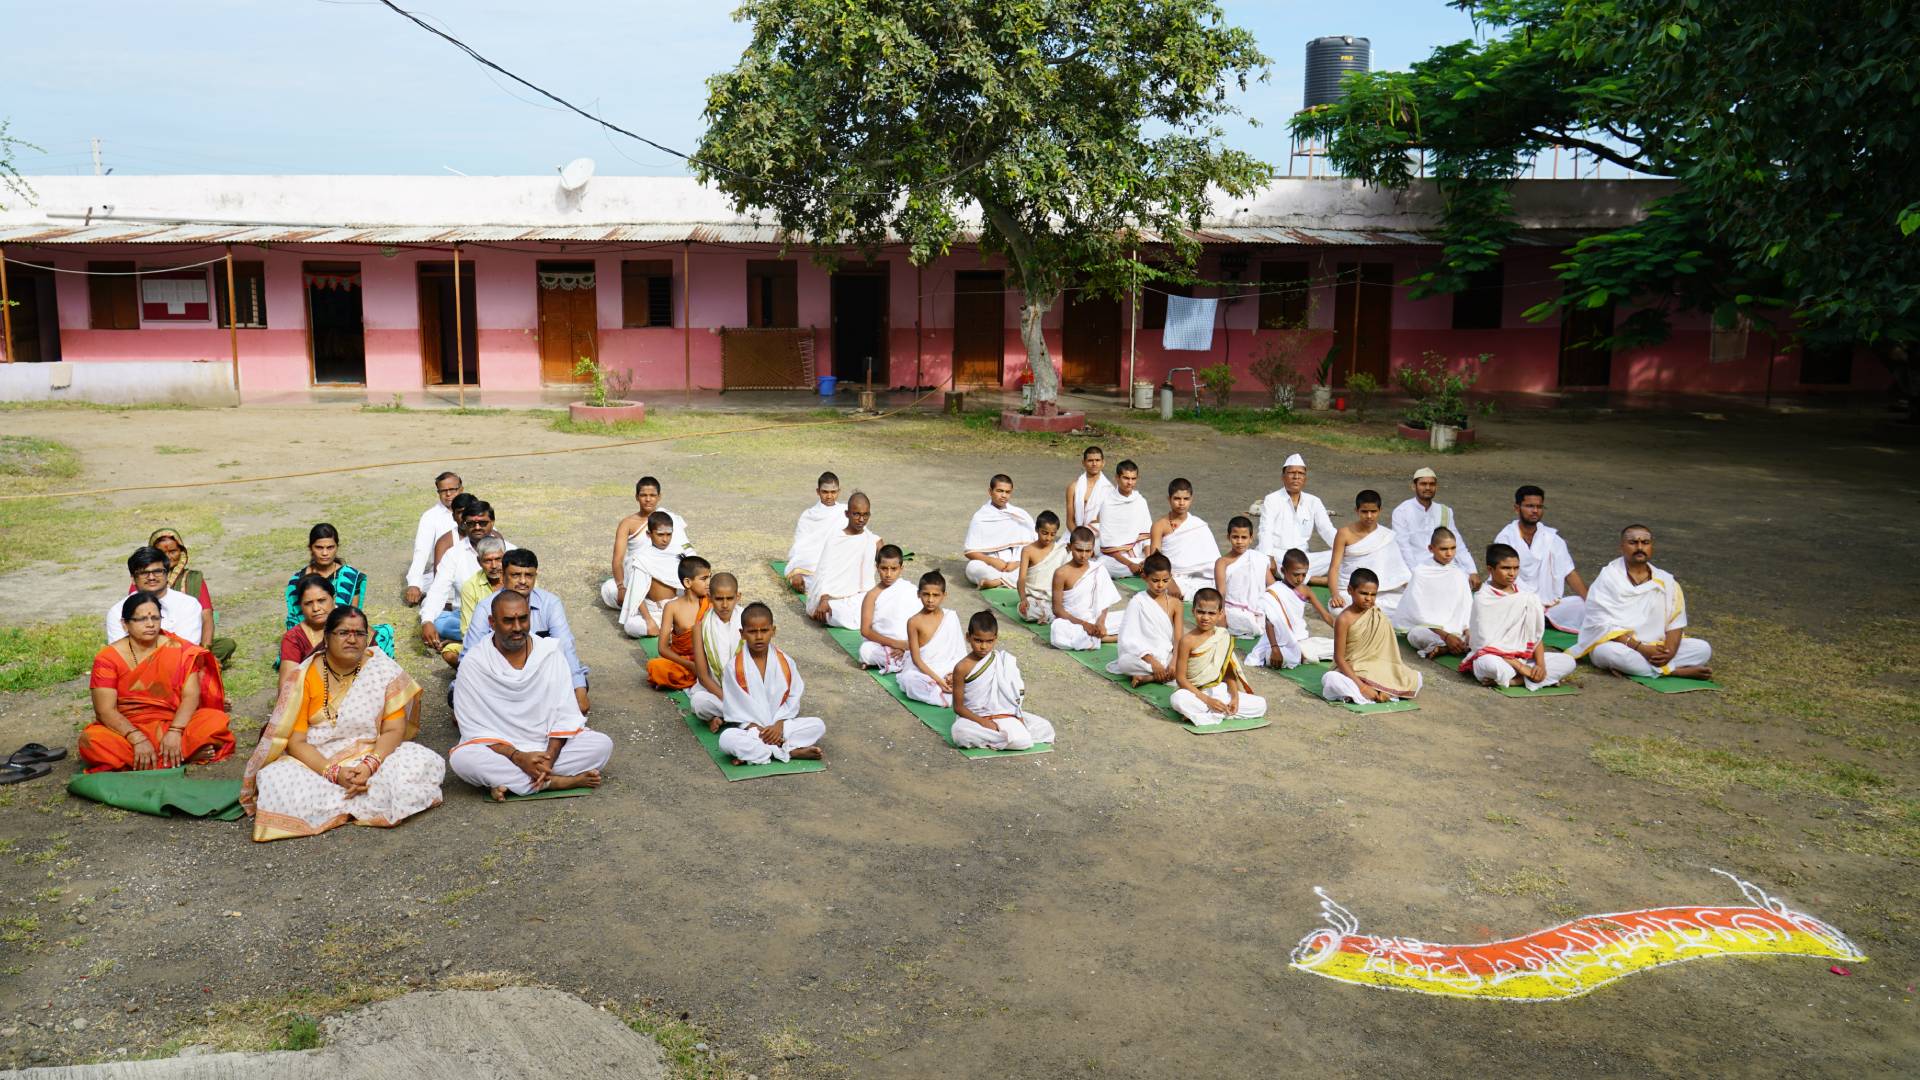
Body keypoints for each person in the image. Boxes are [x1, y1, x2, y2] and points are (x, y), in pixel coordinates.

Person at [241, 606, 444, 842]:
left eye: (359, 634)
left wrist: (369, 766)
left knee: (423, 760)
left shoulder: (382, 668)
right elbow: (296, 742)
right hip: (316, 760)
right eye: (343, 632)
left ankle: (345, 799)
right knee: (275, 777)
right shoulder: (304, 675)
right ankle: (367, 798)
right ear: (326, 638)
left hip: (370, 753)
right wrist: (334, 773)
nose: (352, 639)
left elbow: (393, 729)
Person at [449, 591, 611, 800]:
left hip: (546, 747)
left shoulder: (549, 653)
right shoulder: (474, 663)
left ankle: (519, 781)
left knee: (601, 745)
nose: (517, 628)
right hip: (503, 752)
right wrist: (518, 757)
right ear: (492, 622)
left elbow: (564, 716)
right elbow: (473, 729)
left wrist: (548, 760)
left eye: (523, 619)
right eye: (508, 621)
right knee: (463, 759)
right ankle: (555, 782)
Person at [81, 592, 235, 772]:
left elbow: (191, 696)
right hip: (127, 728)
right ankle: (182, 756)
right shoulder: (107, 658)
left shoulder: (179, 649)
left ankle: (148, 761)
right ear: (125, 624)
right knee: (92, 740)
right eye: (141, 619)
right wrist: (137, 738)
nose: (150, 624)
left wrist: (175, 732)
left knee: (214, 720)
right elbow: (105, 710)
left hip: (171, 722)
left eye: (155, 617)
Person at [1571, 526, 1713, 679]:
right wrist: (1641, 648)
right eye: (1633, 542)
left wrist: (1669, 652)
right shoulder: (1608, 578)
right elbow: (1601, 625)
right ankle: (1675, 671)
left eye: (1645, 542)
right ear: (1622, 547)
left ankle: (1649, 667)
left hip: (1656, 645)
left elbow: (1676, 622)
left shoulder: (1666, 581)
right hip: (1621, 645)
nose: (1640, 547)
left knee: (1703, 649)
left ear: (1651, 546)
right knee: (1609, 653)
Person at [464, 549, 591, 714]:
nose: (523, 581)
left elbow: (565, 646)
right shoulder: (485, 607)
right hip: (499, 679)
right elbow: (471, 654)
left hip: (541, 677)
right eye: (516, 575)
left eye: (529, 575)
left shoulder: (550, 603)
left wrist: (579, 689)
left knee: (572, 685)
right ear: (502, 576)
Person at [714, 603, 826, 765]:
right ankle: (788, 751)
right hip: (752, 732)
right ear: (742, 633)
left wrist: (778, 725)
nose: (759, 636)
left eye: (764, 630)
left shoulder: (786, 662)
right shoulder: (733, 668)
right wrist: (759, 730)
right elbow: (734, 709)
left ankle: (757, 753)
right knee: (726, 739)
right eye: (752, 631)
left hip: (780, 728)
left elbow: (793, 698)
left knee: (818, 725)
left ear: (773, 631)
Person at [1463, 543, 1579, 690]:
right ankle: (1526, 678)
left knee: (1568, 662)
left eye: (1516, 568)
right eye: (1506, 568)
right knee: (1493, 667)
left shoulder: (1527, 597)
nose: (1512, 573)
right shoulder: (1483, 598)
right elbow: (1483, 645)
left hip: (1522, 657)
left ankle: (1516, 681)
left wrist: (1540, 665)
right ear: (1490, 569)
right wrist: (1520, 667)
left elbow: (1535, 636)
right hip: (1495, 658)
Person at [951, 611, 1056, 751]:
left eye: (989, 641)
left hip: (1005, 716)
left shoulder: (1004, 661)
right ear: (968, 637)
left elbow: (1013, 696)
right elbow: (958, 708)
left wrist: (1017, 717)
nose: (983, 646)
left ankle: (1002, 737)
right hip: (975, 718)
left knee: (1044, 726)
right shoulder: (962, 667)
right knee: (960, 732)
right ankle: (1006, 737)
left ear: (996, 639)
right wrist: (983, 722)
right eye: (978, 640)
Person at [1493, 485, 1588, 633]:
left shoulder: (1552, 539)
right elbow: (1500, 577)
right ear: (1517, 508)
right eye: (1530, 506)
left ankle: (1540, 619)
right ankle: (1534, 618)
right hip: (1517, 601)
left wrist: (1590, 601)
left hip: (1550, 605)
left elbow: (1569, 572)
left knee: (1581, 604)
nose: (1535, 511)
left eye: (1539, 506)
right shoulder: (1505, 538)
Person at [1322, 569, 1422, 704]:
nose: (1369, 598)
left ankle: (1374, 693)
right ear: (1350, 590)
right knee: (1330, 679)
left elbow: (1387, 655)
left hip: (1376, 670)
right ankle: (1378, 693)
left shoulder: (1377, 614)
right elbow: (1339, 658)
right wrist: (1362, 687)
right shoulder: (1344, 619)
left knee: (1416, 677)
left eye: (1373, 594)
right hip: (1354, 671)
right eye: (1363, 593)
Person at [1170, 589, 1266, 726]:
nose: (1205, 617)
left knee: (1260, 704)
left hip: (1218, 690)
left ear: (1220, 614)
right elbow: (1180, 679)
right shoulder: (1187, 640)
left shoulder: (1223, 635)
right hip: (1194, 693)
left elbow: (1228, 673)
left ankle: (1210, 713)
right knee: (1178, 699)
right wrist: (1208, 700)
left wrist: (1235, 697)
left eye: (1211, 613)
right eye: (1201, 612)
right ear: (1193, 611)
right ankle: (1217, 711)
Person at [421, 504, 509, 652]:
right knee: (439, 621)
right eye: (471, 523)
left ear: (492, 523)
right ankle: (484, 638)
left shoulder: (511, 550)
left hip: (507, 615)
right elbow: (438, 590)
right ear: (464, 524)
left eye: (482, 523)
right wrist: (427, 621)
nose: (477, 527)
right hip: (465, 615)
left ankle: (472, 639)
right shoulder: (453, 554)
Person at [601, 476, 694, 615]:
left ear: (659, 497)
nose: (648, 499)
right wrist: (621, 587)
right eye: (644, 495)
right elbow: (617, 560)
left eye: (652, 495)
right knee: (609, 590)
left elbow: (687, 551)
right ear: (637, 497)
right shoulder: (627, 523)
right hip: (636, 576)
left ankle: (655, 608)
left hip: (667, 576)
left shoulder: (669, 519)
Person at [142, 528, 234, 663]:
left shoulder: (193, 578)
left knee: (226, 645)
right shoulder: (144, 578)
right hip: (154, 642)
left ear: (181, 552)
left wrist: (205, 651)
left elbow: (207, 616)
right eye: (161, 553)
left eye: (173, 551)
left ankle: (193, 662)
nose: (168, 557)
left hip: (189, 642)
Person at [1391, 527, 1474, 659]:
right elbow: (1417, 612)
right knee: (1416, 635)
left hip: (1456, 628)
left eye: (1453, 548)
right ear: (1431, 548)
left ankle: (1447, 647)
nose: (1449, 554)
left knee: (1478, 633)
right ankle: (1452, 645)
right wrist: (1446, 636)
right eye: (1443, 549)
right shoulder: (1421, 572)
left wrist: (1468, 631)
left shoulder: (1459, 573)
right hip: (1432, 630)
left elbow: (1467, 608)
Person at [1248, 549, 1337, 669]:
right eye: (1296, 574)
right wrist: (1275, 648)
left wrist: (1345, 632)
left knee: (1341, 646)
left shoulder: (1305, 590)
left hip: (1301, 640)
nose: (1300, 579)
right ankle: (1300, 655)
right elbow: (1269, 622)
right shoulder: (1273, 591)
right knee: (1271, 656)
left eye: (1304, 575)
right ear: (1283, 571)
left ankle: (1302, 655)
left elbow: (1326, 616)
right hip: (1279, 644)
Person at [1391, 467, 1479, 588]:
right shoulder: (1401, 512)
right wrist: (1416, 574)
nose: (1428, 488)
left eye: (1431, 484)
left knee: (1464, 583)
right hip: (1416, 566)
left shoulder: (1444, 511)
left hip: (1444, 564)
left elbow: (1458, 543)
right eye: (1423, 484)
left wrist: (1472, 570)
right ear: (1414, 486)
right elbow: (1403, 547)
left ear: (1436, 487)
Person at [1326, 490, 1410, 614]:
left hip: (1382, 592)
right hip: (1351, 591)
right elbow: (1334, 567)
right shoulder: (1344, 533)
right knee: (1338, 609)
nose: (1369, 516)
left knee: (1408, 606)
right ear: (1356, 510)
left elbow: (1399, 571)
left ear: (1380, 510)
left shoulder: (1387, 536)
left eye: (1373, 511)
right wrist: (1335, 594)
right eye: (1364, 511)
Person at [106, 547, 207, 650]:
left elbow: (186, 649)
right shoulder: (118, 612)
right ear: (133, 579)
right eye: (144, 573)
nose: (151, 577)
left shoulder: (188, 605)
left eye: (158, 571)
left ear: (167, 575)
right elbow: (121, 653)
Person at [1255, 453, 1337, 578]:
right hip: (1279, 555)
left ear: (1305, 479)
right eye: (1291, 473)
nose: (1296, 477)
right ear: (1283, 477)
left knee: (1340, 555)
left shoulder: (1314, 501)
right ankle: (1315, 579)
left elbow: (1326, 529)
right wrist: (1268, 555)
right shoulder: (1272, 499)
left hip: (1304, 558)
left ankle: (1299, 575)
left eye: (1301, 474)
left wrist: (1342, 549)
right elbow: (1265, 529)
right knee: (1262, 558)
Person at [805, 492, 881, 627]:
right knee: (832, 612)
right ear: (847, 514)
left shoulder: (872, 540)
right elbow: (824, 572)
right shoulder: (836, 538)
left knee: (879, 606)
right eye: (856, 514)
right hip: (832, 597)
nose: (861, 519)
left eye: (865, 515)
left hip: (860, 596)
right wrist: (824, 599)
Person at [610, 511, 690, 638]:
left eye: (669, 534)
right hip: (654, 611)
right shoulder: (642, 559)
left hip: (675, 607)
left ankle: (670, 627)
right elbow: (637, 594)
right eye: (660, 535)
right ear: (649, 534)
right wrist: (648, 620)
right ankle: (667, 629)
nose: (665, 539)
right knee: (630, 626)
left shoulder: (678, 555)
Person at [1106, 554, 1182, 687]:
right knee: (1124, 662)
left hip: (1166, 655)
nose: (1160, 585)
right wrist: (1152, 662)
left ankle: (1150, 677)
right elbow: (1128, 639)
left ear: (1171, 578)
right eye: (1155, 580)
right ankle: (1162, 674)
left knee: (1192, 663)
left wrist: (1174, 663)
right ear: (1144, 577)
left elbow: (1178, 639)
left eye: (1165, 580)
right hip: (1144, 657)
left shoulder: (1176, 604)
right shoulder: (1137, 601)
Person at [434, 537, 508, 667]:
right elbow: (467, 629)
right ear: (479, 562)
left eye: (498, 559)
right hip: (485, 641)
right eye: (488, 561)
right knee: (449, 653)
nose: (494, 566)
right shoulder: (470, 586)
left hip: (515, 638)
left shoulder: (517, 578)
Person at [899, 571, 968, 706]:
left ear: (944, 596)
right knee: (909, 681)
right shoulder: (913, 622)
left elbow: (960, 653)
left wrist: (952, 673)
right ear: (918, 594)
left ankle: (947, 690)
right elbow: (917, 660)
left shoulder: (951, 617)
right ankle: (949, 694)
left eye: (935, 595)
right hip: (925, 671)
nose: (930, 600)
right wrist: (939, 681)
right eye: (926, 594)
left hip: (948, 667)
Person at [647, 556, 713, 691]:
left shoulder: (711, 602)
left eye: (710, 577)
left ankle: (688, 679)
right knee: (655, 666)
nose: (709, 583)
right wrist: (689, 665)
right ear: (688, 582)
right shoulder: (672, 607)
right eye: (704, 579)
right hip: (686, 661)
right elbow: (663, 649)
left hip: (708, 660)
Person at [1049, 526, 1121, 650]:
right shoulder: (1061, 573)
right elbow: (1057, 610)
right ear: (1070, 546)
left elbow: (1105, 602)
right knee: (1058, 631)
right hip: (1071, 623)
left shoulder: (1098, 569)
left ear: (1093, 549)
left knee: (1131, 618)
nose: (1083, 555)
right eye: (1079, 550)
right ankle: (1110, 638)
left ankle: (1095, 636)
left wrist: (1100, 623)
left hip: (1095, 619)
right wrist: (1084, 624)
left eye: (1088, 551)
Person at [962, 474, 1037, 589]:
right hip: (991, 564)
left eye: (1007, 492)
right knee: (972, 568)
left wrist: (1017, 563)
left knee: (1038, 565)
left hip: (1017, 561)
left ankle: (997, 582)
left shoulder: (1020, 515)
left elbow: (1034, 545)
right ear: (990, 491)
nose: (1004, 496)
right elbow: (969, 552)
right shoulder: (980, 517)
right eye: (1000, 491)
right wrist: (991, 561)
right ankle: (1011, 581)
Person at [1149, 478, 1219, 600]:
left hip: (1204, 577)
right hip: (1174, 576)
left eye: (1186, 499)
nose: (1181, 503)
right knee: (1161, 589)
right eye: (1177, 498)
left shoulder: (1199, 524)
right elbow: (1155, 560)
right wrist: (1169, 582)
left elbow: (1213, 561)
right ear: (1169, 499)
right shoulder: (1159, 525)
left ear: (1191, 499)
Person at [690, 572, 744, 724]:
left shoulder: (749, 621)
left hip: (747, 690)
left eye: (730, 598)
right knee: (699, 703)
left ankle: (726, 717)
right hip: (718, 692)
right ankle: (742, 716)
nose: (725, 605)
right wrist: (727, 698)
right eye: (719, 599)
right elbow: (703, 676)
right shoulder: (700, 628)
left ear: (738, 597)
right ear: (709, 598)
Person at [404, 471, 464, 606]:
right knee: (430, 588)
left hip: (473, 569)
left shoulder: (474, 510)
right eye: (443, 491)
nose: (448, 494)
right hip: (441, 572)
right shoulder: (430, 517)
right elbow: (421, 552)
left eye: (452, 489)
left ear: (461, 489)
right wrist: (414, 584)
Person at [856, 546, 917, 672]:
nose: (888, 574)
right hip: (884, 644)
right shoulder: (871, 595)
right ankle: (906, 662)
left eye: (893, 569)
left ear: (901, 568)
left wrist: (906, 645)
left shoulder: (911, 590)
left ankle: (900, 660)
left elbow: (922, 621)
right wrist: (897, 644)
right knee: (866, 651)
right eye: (884, 569)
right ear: (877, 567)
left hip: (910, 644)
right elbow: (865, 631)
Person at [1214, 515, 1273, 638]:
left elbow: (1272, 586)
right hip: (1233, 609)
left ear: (1251, 538)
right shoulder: (1222, 562)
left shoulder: (1258, 558)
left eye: (1244, 537)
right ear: (1228, 537)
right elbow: (1221, 591)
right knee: (1241, 619)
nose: (1239, 541)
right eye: (1235, 537)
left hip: (1258, 608)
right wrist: (1221, 613)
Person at [783, 471, 843, 591]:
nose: (829, 496)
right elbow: (799, 547)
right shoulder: (808, 515)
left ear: (839, 491)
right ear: (818, 491)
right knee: (800, 581)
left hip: (838, 562)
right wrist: (797, 571)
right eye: (825, 492)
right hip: (812, 564)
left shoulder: (845, 511)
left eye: (833, 492)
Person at [1093, 460, 1152, 578]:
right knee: (1100, 566)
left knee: (1162, 558)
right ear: (1117, 478)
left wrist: (1148, 560)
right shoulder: (1108, 503)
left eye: (1133, 479)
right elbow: (1108, 544)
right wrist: (1130, 564)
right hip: (1116, 557)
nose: (1130, 483)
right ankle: (1143, 570)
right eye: (1126, 478)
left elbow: (1146, 536)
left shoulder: (1140, 501)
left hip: (1139, 553)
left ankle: (1144, 568)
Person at [279, 574, 338, 690]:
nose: (316, 608)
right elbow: (286, 688)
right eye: (308, 603)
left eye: (321, 601)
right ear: (300, 606)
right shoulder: (294, 638)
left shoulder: (352, 625)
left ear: (333, 598)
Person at [1015, 511, 1067, 622]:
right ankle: (1051, 615)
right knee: (1025, 611)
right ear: (1036, 529)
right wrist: (1023, 599)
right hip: (1033, 598)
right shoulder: (1028, 550)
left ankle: (1050, 614)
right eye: (1044, 533)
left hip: (1053, 598)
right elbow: (1021, 579)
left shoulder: (1060, 550)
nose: (1048, 538)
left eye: (1052, 534)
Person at [1065, 445, 1114, 534]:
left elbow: (1107, 520)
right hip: (1074, 534)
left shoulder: (1110, 490)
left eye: (1097, 460)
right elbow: (1069, 521)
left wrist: (1087, 537)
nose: (1094, 464)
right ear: (1083, 463)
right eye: (1090, 460)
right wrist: (1078, 537)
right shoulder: (1073, 487)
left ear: (1103, 462)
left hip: (1099, 534)